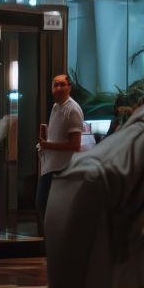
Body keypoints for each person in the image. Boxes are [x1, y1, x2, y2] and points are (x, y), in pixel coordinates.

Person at [35, 73, 84, 224]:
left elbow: (75, 145)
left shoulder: (73, 110)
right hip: (50, 166)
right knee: (44, 208)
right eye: (55, 84)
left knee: (48, 208)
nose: (58, 88)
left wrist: (47, 145)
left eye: (62, 84)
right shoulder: (56, 107)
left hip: (61, 169)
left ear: (70, 87)